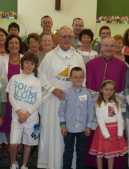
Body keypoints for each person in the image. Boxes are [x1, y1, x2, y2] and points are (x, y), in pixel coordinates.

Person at [37, 26, 86, 169]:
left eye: (69, 37)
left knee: (71, 137)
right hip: (53, 102)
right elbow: (41, 76)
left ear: (72, 39)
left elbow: (84, 79)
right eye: (63, 36)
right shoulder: (49, 56)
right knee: (54, 135)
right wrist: (52, 89)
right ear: (58, 38)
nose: (66, 39)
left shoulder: (78, 57)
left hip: (72, 104)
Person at [86, 37, 127, 169]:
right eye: (106, 46)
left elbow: (122, 89)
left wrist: (111, 102)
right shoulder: (91, 64)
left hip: (113, 108)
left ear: (116, 48)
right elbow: (89, 88)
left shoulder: (122, 65)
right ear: (101, 47)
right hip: (96, 106)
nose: (109, 48)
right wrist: (100, 102)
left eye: (111, 46)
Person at [8, 52, 42, 169]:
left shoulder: (37, 81)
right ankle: (13, 163)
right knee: (13, 143)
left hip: (31, 119)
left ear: (35, 66)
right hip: (17, 118)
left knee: (28, 143)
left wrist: (26, 115)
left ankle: (24, 164)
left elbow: (38, 101)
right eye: (27, 62)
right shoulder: (15, 78)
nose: (29, 65)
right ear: (22, 63)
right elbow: (11, 97)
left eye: (32, 63)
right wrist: (19, 113)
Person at [58, 67, 93, 169]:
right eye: (75, 77)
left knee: (81, 152)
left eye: (80, 77)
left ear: (84, 78)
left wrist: (89, 126)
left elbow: (90, 111)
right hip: (69, 129)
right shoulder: (66, 93)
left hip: (83, 129)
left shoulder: (87, 94)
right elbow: (61, 111)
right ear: (70, 78)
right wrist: (63, 125)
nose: (78, 79)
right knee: (68, 152)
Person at [89, 80, 128, 169]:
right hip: (103, 132)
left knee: (112, 153)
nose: (108, 92)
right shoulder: (98, 104)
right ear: (102, 90)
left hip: (114, 130)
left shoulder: (116, 103)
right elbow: (100, 121)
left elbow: (120, 119)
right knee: (99, 154)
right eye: (106, 89)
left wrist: (120, 133)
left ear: (114, 91)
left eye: (111, 90)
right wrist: (106, 135)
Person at [0, 35, 23, 157]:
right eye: (11, 43)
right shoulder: (2, 60)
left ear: (19, 45)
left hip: (22, 97)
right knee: (8, 121)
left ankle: (18, 144)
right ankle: (9, 144)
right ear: (7, 46)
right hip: (6, 96)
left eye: (16, 43)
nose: (14, 45)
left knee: (19, 120)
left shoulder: (24, 59)